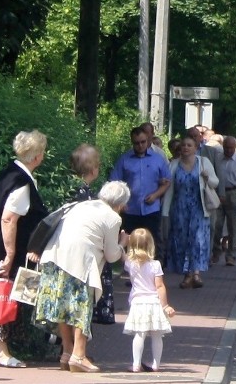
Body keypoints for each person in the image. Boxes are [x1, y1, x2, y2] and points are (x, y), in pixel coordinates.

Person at [0, 130, 49, 368]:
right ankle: (2, 352)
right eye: (43, 152)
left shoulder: (7, 173)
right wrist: (10, 254)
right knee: (4, 298)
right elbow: (8, 219)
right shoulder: (21, 182)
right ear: (36, 157)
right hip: (4, 252)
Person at [34, 181, 130, 373]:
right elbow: (112, 255)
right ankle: (79, 356)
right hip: (79, 263)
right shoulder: (113, 217)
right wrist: (122, 242)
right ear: (121, 204)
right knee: (80, 308)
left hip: (54, 257)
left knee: (62, 306)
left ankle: (67, 353)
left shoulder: (81, 204)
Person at [162, 134, 219, 289]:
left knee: (198, 240)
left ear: (195, 148)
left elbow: (215, 182)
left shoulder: (203, 162)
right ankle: (187, 273)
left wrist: (207, 178)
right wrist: (165, 211)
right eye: (184, 145)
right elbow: (169, 190)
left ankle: (195, 273)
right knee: (182, 241)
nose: (186, 148)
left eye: (189, 145)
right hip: (179, 209)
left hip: (199, 208)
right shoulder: (174, 164)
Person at [69, 144, 115, 325]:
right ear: (92, 168)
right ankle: (75, 349)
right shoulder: (83, 194)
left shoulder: (72, 189)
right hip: (83, 256)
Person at [108, 126, 171, 260]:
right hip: (131, 209)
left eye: (143, 142)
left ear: (148, 140)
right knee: (132, 243)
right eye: (137, 143)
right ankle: (133, 274)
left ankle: (152, 273)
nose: (140, 145)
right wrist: (121, 202)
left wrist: (155, 195)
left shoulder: (157, 159)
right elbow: (114, 182)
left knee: (151, 241)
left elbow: (167, 182)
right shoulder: (124, 159)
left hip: (151, 209)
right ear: (132, 142)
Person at [122, 228, 175, 373]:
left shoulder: (130, 263)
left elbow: (121, 254)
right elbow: (160, 286)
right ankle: (156, 364)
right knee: (157, 335)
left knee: (139, 334)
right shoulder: (155, 265)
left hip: (138, 303)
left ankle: (136, 364)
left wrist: (122, 241)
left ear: (132, 246)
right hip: (154, 303)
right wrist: (165, 306)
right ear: (151, 245)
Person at [212, 136, 236, 266]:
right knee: (216, 224)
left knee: (233, 225)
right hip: (218, 193)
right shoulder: (217, 159)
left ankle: (232, 255)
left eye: (231, 148)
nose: (228, 150)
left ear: (235, 147)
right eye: (226, 148)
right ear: (223, 147)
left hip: (233, 192)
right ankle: (215, 252)